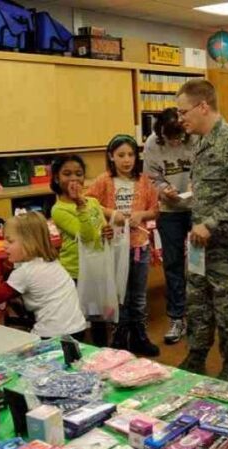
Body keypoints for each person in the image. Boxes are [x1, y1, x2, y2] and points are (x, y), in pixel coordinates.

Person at [175, 78, 228, 384]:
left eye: (183, 111)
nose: (180, 118)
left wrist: (210, 224)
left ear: (203, 106)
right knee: (198, 306)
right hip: (202, 248)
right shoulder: (201, 142)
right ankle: (196, 358)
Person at [86, 134, 161, 356]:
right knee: (119, 294)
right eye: (121, 155)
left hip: (139, 245)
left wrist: (141, 215)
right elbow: (89, 204)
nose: (127, 160)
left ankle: (139, 336)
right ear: (111, 156)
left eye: (130, 154)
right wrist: (112, 213)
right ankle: (120, 336)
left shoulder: (144, 180)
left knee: (138, 295)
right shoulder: (103, 181)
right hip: (114, 247)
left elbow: (155, 209)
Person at [0, 212, 86, 339]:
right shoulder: (50, 262)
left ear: (30, 244)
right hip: (77, 327)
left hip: (52, 335)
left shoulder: (25, 273)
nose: (4, 245)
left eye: (10, 241)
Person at [144, 108, 196, 345]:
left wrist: (199, 184)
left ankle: (200, 316)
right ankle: (177, 318)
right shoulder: (153, 143)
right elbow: (151, 178)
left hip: (197, 208)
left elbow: (207, 169)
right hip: (169, 210)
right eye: (168, 139)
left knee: (201, 262)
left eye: (178, 139)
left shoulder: (196, 136)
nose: (173, 144)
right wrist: (164, 190)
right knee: (173, 264)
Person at [50, 155, 113, 346]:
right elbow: (85, 236)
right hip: (75, 270)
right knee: (76, 320)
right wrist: (80, 205)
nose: (73, 179)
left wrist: (108, 233)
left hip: (97, 267)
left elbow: (99, 232)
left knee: (99, 317)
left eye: (78, 174)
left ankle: (102, 354)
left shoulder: (92, 203)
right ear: (56, 178)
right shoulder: (59, 210)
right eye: (67, 174)